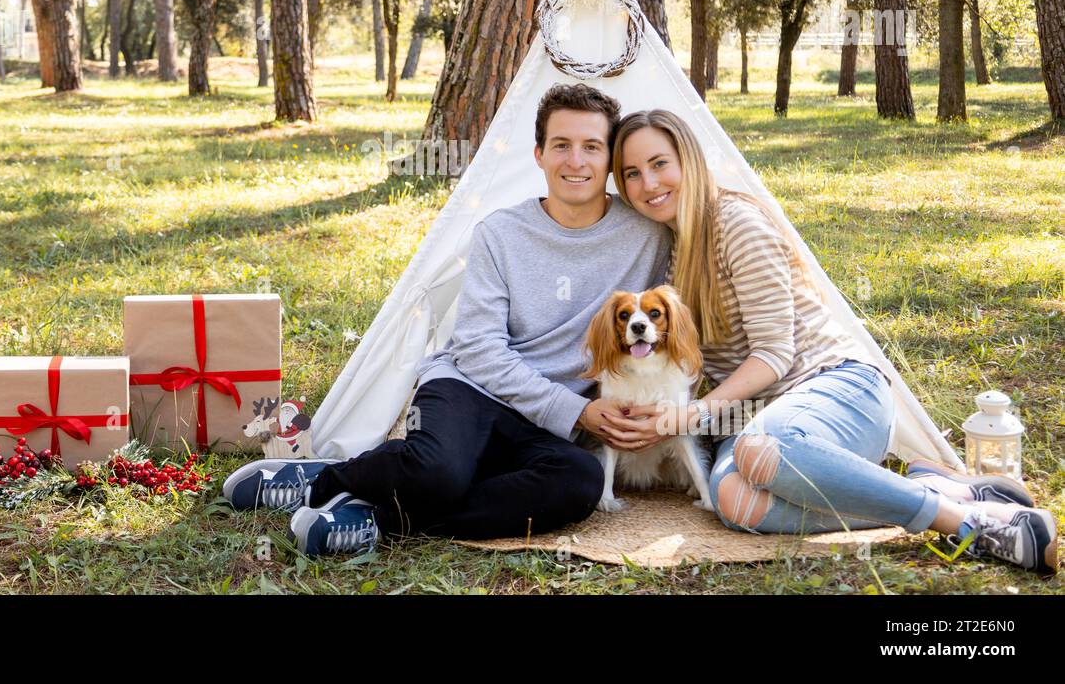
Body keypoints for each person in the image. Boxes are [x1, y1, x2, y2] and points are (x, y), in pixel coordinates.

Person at [222, 83, 674, 556]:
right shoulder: (500, 234)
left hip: (547, 423)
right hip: (472, 387)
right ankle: (321, 479)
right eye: (561, 145)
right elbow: (478, 350)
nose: (576, 161)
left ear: (609, 159)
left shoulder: (647, 233)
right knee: (439, 469)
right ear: (538, 154)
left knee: (580, 483)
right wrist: (578, 411)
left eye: (592, 147)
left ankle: (378, 515)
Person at [607, 108, 1057, 574]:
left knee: (764, 446)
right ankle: (940, 489)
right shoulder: (670, 248)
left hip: (836, 388)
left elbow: (773, 353)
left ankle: (969, 522)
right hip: (754, 417)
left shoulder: (736, 224)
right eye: (632, 174)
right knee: (731, 500)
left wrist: (694, 412)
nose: (648, 184)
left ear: (689, 161)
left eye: (660, 164)